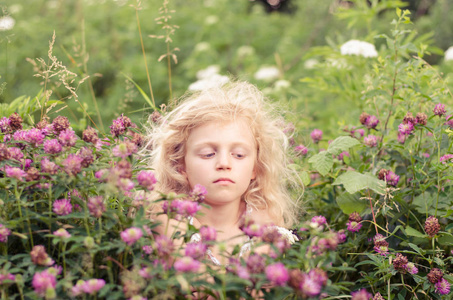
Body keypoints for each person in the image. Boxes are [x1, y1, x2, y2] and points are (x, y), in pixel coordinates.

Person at [142, 80, 301, 266]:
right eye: (208, 154)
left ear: (255, 168)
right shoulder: (169, 216)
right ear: (180, 166)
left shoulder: (268, 216)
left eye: (239, 155)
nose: (224, 163)